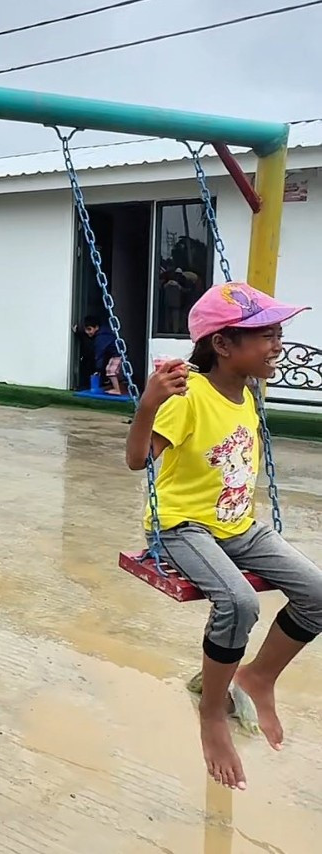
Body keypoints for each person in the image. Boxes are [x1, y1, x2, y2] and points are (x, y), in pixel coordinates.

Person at [125, 282, 322, 791]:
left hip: (238, 525)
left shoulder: (248, 394)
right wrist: (148, 405)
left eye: (278, 334)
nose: (277, 345)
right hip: (181, 525)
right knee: (239, 602)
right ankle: (212, 713)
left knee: (318, 592)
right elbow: (137, 461)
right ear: (223, 344)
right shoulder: (186, 397)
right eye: (266, 335)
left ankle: (258, 678)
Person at [76, 315, 123, 394]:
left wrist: (98, 369)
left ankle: (117, 390)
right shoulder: (105, 332)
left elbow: (99, 354)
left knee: (111, 371)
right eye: (86, 330)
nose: (87, 332)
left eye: (89, 329)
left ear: (97, 327)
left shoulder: (101, 338)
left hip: (117, 355)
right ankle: (118, 387)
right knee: (113, 371)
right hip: (116, 354)